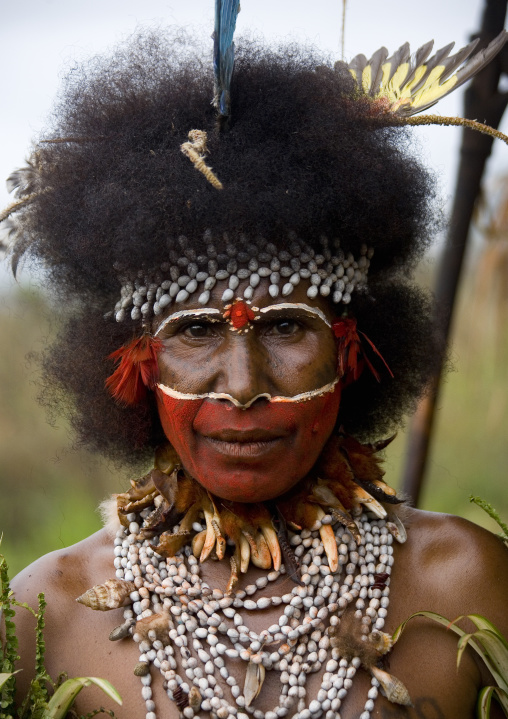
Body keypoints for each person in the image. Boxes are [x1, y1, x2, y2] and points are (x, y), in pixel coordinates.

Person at [3, 27, 508, 719]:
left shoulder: (469, 586)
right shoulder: (46, 617)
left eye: (285, 326)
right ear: (136, 363)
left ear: (351, 346)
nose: (242, 385)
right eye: (197, 331)